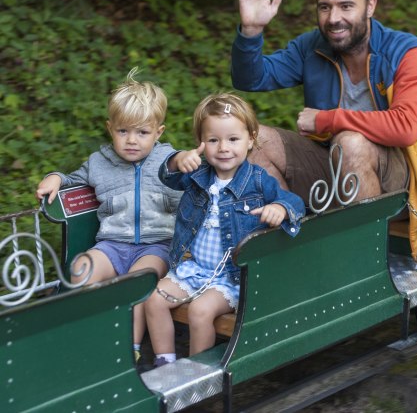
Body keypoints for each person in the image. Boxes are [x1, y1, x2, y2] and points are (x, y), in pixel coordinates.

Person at [231, 0, 417, 259]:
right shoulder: (313, 47)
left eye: (346, 6)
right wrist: (250, 32)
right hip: (332, 167)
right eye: (325, 7)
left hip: (401, 180)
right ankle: (283, 249)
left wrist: (327, 120)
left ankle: (361, 263)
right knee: (256, 139)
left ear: (370, 6)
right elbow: (251, 78)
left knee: (350, 142)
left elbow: (406, 128)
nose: (333, 18)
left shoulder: (408, 51)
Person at [144, 92, 305, 367]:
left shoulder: (257, 180)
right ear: (201, 143)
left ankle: (197, 372)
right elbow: (168, 176)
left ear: (250, 139)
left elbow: (295, 203)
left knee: (199, 312)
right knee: (154, 301)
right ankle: (165, 364)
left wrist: (279, 208)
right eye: (213, 140)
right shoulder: (197, 175)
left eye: (233, 139)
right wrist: (176, 160)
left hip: (230, 278)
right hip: (192, 269)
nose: (223, 148)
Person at [35, 68, 183, 363]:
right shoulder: (99, 163)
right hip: (112, 245)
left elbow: (195, 193)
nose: (131, 141)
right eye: (122, 131)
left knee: (137, 280)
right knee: (81, 269)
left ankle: (129, 348)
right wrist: (55, 178)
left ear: (158, 132)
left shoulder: (170, 161)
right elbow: (74, 180)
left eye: (142, 133)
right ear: (110, 128)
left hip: (157, 246)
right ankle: (90, 335)